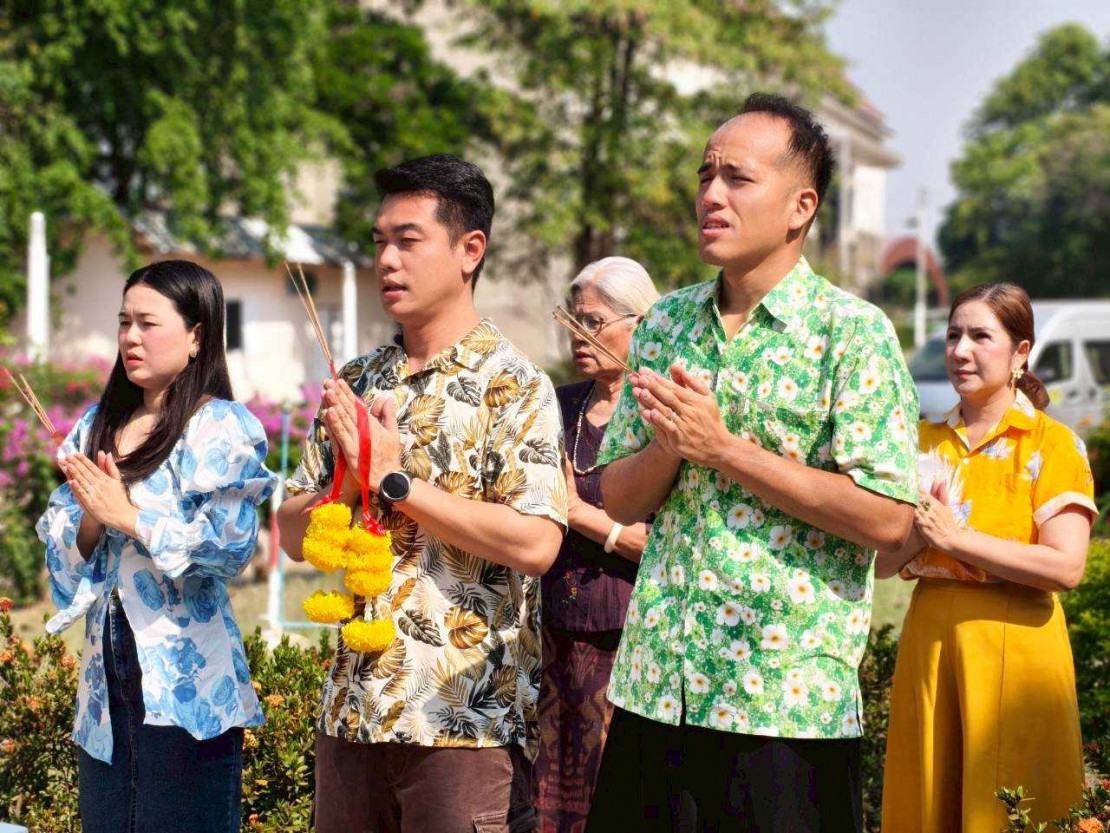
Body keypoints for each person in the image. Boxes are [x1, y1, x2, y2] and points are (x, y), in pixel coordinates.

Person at [584, 93, 920, 833]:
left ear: (801, 206)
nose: (711, 194)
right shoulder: (666, 324)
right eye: (705, 175)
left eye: (737, 178)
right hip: (656, 688)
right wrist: (670, 447)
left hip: (782, 704)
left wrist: (725, 450)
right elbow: (618, 498)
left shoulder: (852, 334)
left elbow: (889, 520)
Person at [277, 154, 567, 833]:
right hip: (353, 713)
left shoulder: (513, 383)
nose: (386, 259)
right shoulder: (356, 381)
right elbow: (290, 534)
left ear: (471, 250)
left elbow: (536, 542)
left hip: (463, 721)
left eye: (408, 240)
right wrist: (352, 481)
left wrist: (395, 482)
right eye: (380, 240)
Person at [36, 260, 278, 833]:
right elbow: (63, 551)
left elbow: (231, 546)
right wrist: (93, 516)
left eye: (148, 323)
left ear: (197, 336)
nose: (130, 337)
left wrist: (129, 516)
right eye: (124, 322)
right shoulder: (97, 423)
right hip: (105, 684)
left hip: (188, 688)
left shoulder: (220, 426)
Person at [877, 283, 1096, 833]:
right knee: (928, 800)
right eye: (954, 335)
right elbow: (879, 563)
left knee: (1008, 805)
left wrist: (956, 539)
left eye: (980, 336)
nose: (960, 350)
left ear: (1021, 353)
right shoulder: (920, 442)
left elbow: (1066, 567)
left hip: (1016, 641)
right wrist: (922, 536)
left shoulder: (1051, 445)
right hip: (929, 638)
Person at [535, 257, 658, 833]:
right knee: (549, 798)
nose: (579, 334)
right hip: (550, 634)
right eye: (573, 319)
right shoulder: (555, 406)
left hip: (627, 639)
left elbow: (665, 543)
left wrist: (580, 514)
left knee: (616, 796)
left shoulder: (661, 413)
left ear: (641, 323)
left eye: (595, 321)